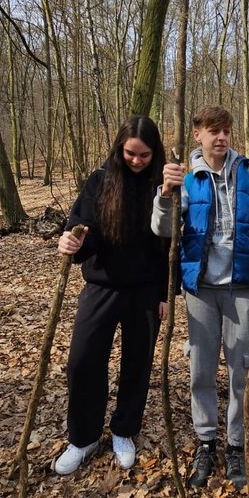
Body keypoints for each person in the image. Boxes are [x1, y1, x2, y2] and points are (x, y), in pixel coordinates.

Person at [152, 104, 249, 490]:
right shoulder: (187, 177)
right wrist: (165, 193)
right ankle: (206, 442)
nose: (221, 137)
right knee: (201, 370)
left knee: (241, 370)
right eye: (213, 131)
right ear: (198, 135)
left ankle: (236, 444)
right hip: (202, 290)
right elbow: (162, 229)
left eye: (226, 130)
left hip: (241, 288)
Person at [54, 116, 169, 475]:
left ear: (155, 153)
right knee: (83, 361)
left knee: (137, 364)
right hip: (101, 287)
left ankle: (124, 430)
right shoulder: (100, 180)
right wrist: (72, 241)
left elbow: (169, 245)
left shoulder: (163, 186)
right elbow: (81, 225)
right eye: (130, 153)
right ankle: (83, 437)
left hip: (145, 291)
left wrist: (166, 293)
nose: (137, 161)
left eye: (145, 155)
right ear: (119, 149)